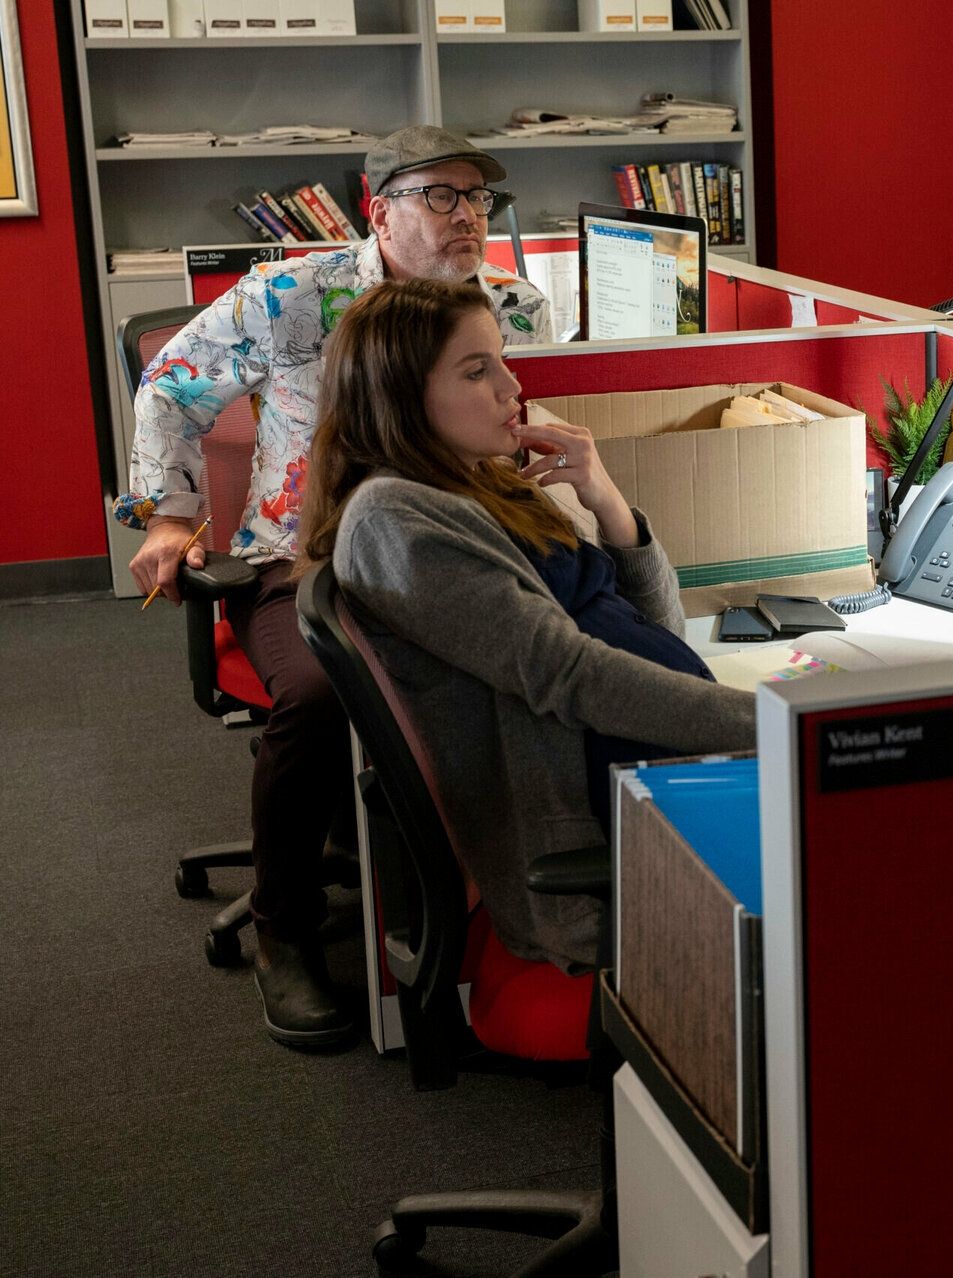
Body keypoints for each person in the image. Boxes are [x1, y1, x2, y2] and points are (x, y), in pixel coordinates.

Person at [115, 126, 554, 1047]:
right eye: (440, 195)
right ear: (379, 210)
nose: (468, 215)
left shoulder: (512, 307)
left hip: (451, 555)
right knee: (320, 694)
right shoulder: (294, 296)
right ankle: (283, 931)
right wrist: (168, 514)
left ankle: (514, 914)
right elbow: (169, 387)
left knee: (545, 662)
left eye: (478, 197)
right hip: (303, 559)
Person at [299, 279, 755, 973]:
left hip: (654, 769)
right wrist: (772, 725)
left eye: (503, 361)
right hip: (611, 812)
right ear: (400, 395)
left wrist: (606, 500)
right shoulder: (391, 519)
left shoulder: (482, 480)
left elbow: (658, 633)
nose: (511, 387)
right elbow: (568, 675)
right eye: (476, 370)